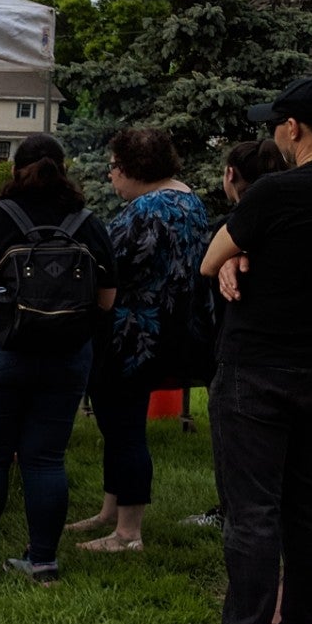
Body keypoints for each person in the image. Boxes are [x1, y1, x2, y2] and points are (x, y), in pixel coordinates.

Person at [187, 76, 312, 624]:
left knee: (252, 509)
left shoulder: (277, 190)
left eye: (275, 123)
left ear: (293, 128)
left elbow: (209, 258)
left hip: (258, 366)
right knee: (308, 505)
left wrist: (234, 259)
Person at [0, 134, 117, 582]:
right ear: (64, 169)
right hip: (66, 356)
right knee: (46, 459)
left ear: (15, 170)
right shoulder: (88, 223)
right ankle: (42, 562)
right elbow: (108, 299)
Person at [67, 128, 209, 554]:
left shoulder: (146, 209)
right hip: (169, 328)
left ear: (132, 168)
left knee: (124, 428)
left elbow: (107, 265)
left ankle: (128, 533)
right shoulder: (189, 199)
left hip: (131, 333)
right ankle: (110, 510)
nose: (111, 177)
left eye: (113, 168)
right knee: (118, 425)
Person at [183, 138, 289, 530]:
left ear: (230, 176)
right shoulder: (287, 222)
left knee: (234, 444)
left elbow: (205, 271)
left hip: (237, 350)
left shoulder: (231, 229)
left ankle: (233, 512)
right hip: (289, 352)